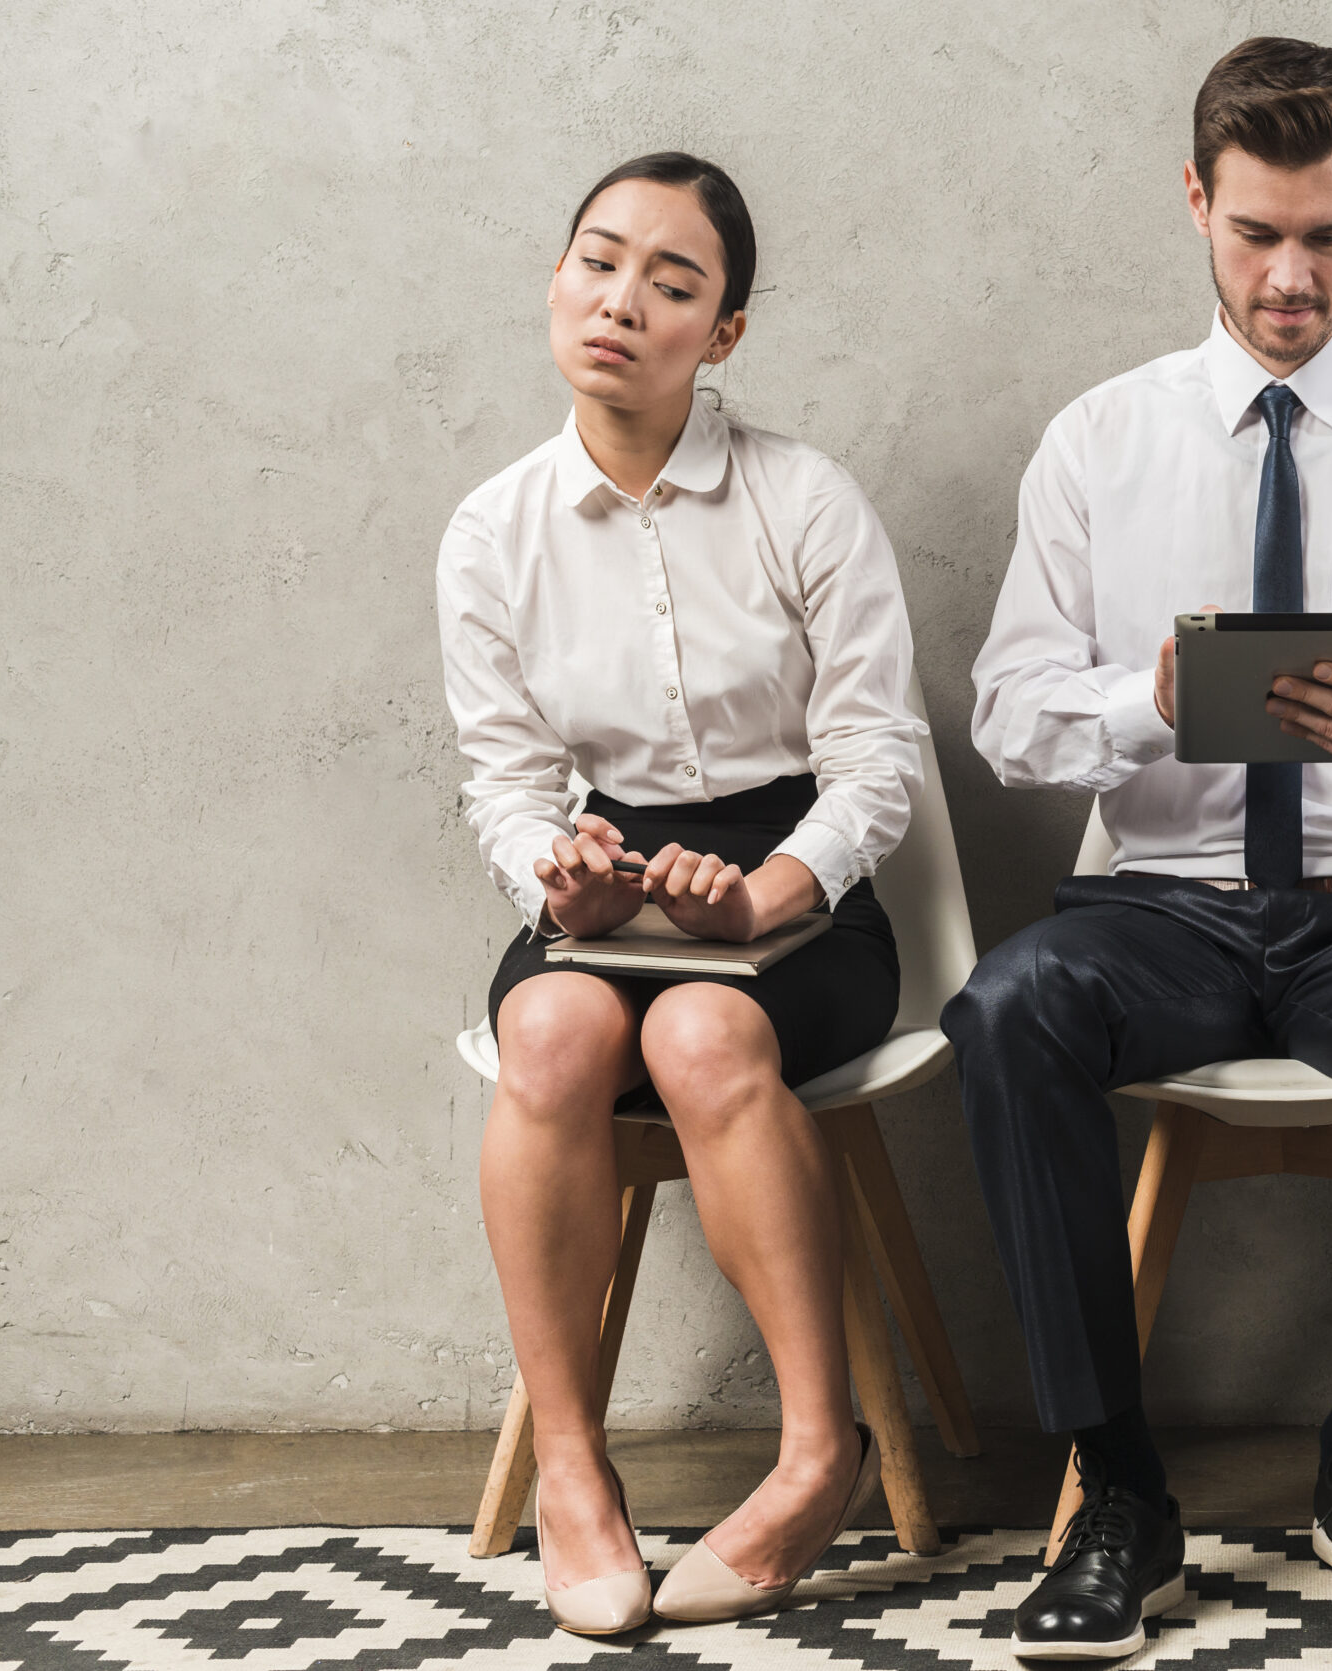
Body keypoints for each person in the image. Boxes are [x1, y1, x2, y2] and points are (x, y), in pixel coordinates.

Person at [943, 37, 1332, 1659]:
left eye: (1329, 237)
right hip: (1165, 907)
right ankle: (1120, 1489)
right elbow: (1011, 720)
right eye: (1256, 235)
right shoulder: (1101, 441)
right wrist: (1146, 701)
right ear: (1196, 204)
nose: (1291, 277)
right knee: (1009, 1009)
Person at [435, 152, 922, 1635]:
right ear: (556, 279)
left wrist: (769, 893)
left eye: (674, 282)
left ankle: (813, 1453)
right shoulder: (493, 531)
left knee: (705, 1038)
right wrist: (557, 876)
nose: (622, 302)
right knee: (559, 1039)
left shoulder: (803, 498)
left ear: (724, 335)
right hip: (612, 871)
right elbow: (509, 787)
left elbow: (880, 763)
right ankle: (576, 1472)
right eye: (598, 260)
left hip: (798, 875)